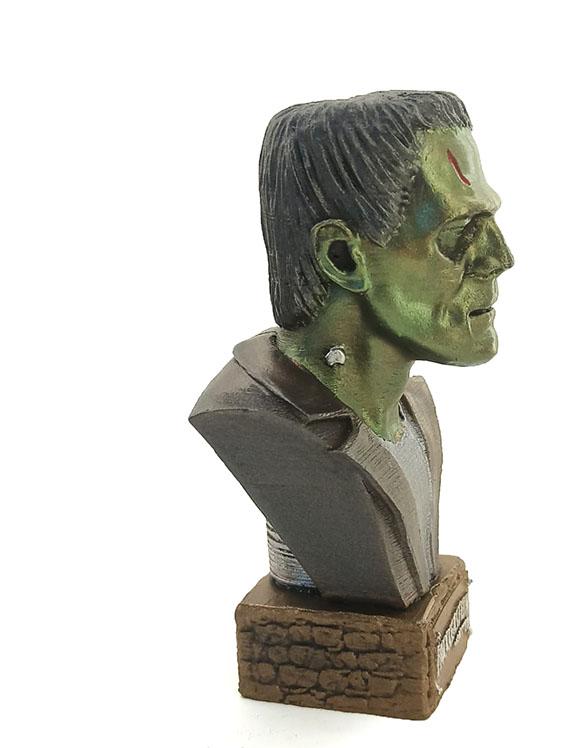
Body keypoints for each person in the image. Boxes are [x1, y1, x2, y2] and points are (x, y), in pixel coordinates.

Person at [190, 91, 513, 609]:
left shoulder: (415, 411)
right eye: (458, 232)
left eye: (489, 223)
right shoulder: (249, 415)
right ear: (342, 257)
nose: (499, 257)